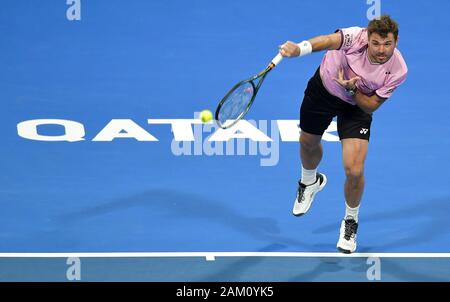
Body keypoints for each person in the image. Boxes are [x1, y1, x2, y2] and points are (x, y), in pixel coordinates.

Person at [278, 15, 407, 253]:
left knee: (354, 170)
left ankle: (350, 220)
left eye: (387, 44)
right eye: (376, 43)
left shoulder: (398, 70)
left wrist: (352, 88)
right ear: (367, 38)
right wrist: (299, 49)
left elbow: (370, 106)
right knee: (308, 142)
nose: (381, 50)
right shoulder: (355, 37)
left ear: (396, 41)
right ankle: (309, 181)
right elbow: (327, 41)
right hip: (324, 90)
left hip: (356, 105)